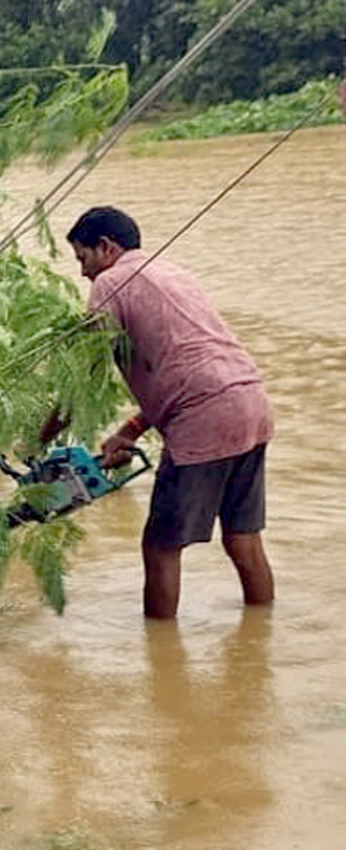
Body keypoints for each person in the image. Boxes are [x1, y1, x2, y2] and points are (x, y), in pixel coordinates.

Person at [66, 207, 274, 619]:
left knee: (160, 546)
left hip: (203, 421)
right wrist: (130, 430)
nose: (84, 273)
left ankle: (160, 658)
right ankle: (262, 636)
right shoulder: (175, 274)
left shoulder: (110, 282)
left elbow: (85, 375)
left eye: (82, 259)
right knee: (243, 538)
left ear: (106, 248)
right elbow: (188, 367)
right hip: (251, 404)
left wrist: (42, 433)